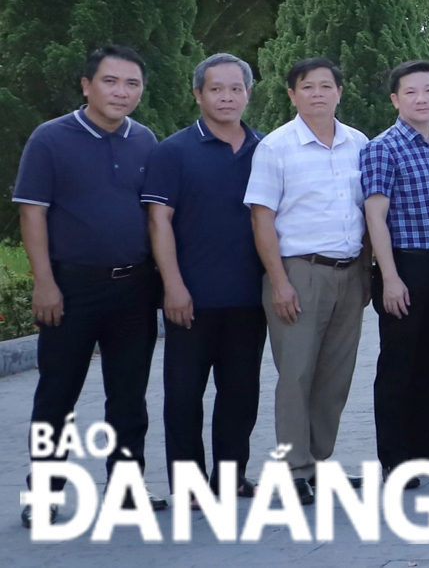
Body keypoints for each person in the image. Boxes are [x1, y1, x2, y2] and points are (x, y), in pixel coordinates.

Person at [15, 46, 166, 523]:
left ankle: (126, 488)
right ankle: (45, 490)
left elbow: (153, 216)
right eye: (110, 81)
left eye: (132, 84)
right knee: (57, 394)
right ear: (87, 85)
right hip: (71, 287)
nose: (122, 92)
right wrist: (44, 283)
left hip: (134, 288)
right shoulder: (50, 139)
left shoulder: (145, 140)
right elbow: (32, 212)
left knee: (129, 395)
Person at [245, 57, 371, 504]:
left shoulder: (360, 143)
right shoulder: (276, 148)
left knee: (335, 377)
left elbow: (369, 211)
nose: (317, 93)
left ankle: (319, 462)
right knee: (296, 374)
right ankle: (292, 468)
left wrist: (369, 274)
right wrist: (278, 281)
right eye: (307, 87)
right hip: (298, 272)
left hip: (349, 272)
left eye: (326, 86)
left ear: (340, 91)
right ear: (291, 95)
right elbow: (263, 220)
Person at [145, 53, 266, 501]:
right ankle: (189, 484)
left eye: (236, 88)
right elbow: (159, 222)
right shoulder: (172, 151)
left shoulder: (264, 148)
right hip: (191, 297)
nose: (227, 97)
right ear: (198, 94)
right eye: (217, 89)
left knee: (240, 393)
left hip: (250, 297)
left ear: (249, 93)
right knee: (183, 396)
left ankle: (231, 475)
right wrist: (172, 285)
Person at [359, 60, 429, 475]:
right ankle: (395, 459)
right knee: (398, 366)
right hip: (404, 267)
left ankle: (424, 447)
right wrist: (389, 278)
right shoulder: (382, 148)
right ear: (395, 99)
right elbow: (375, 217)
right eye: (411, 92)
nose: (421, 99)